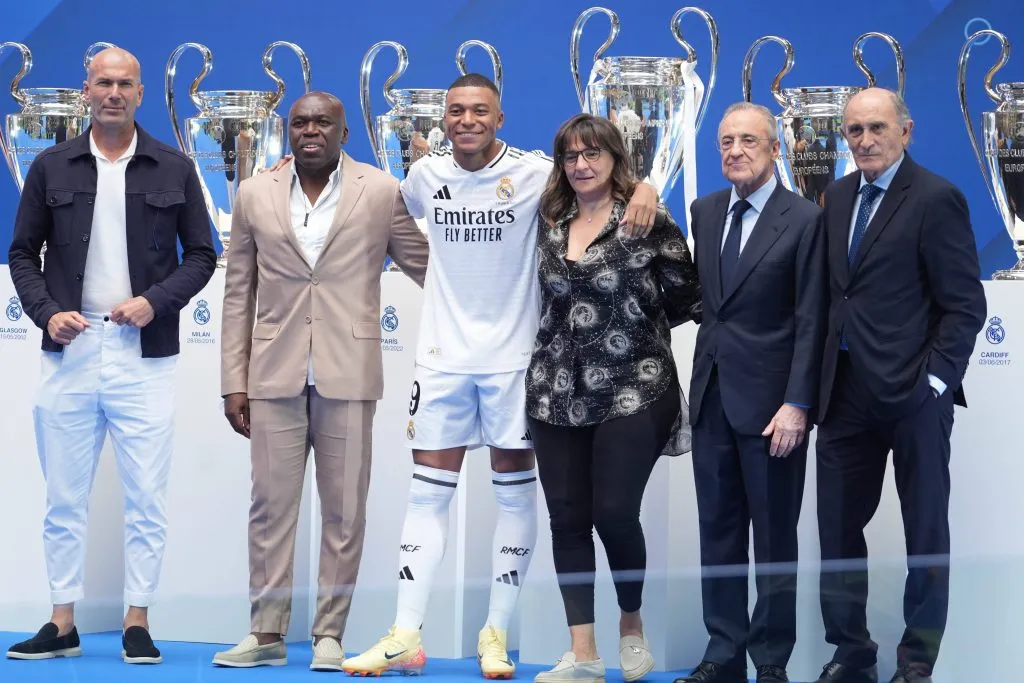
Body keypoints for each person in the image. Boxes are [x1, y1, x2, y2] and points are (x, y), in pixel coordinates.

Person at [341, 74, 659, 679]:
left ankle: (496, 633)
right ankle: (405, 633)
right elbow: (391, 214)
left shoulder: (537, 173)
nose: (466, 119)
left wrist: (646, 184)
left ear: (500, 118)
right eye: (455, 110)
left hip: (517, 361)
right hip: (441, 359)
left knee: (513, 491)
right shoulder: (423, 176)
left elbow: (600, 176)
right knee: (426, 493)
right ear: (443, 118)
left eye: (478, 110)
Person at [5, 47, 216, 664]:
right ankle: (62, 620)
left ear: (141, 93)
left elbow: (202, 255)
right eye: (104, 82)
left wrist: (155, 301)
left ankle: (137, 619)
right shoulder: (51, 166)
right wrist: (48, 313)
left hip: (142, 355)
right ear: (86, 90)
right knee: (64, 496)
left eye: (126, 83)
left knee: (146, 492)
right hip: (70, 352)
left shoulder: (173, 167)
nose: (115, 92)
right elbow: (23, 254)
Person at [213, 91, 429, 671]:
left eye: (323, 122)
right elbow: (238, 295)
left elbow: (428, 265)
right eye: (301, 122)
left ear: (343, 132)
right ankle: (265, 633)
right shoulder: (254, 191)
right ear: (289, 130)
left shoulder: (380, 190)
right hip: (272, 374)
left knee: (344, 510)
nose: (311, 131)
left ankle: (329, 633)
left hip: (350, 373)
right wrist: (234, 379)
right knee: (270, 509)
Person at [812, 88, 986, 683]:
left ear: (905, 131)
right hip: (843, 395)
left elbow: (965, 305)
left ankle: (917, 664)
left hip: (915, 396)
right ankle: (851, 654)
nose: (864, 140)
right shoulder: (834, 197)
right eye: (854, 130)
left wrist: (935, 381)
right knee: (835, 531)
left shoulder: (937, 198)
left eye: (876, 128)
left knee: (926, 536)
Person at [525, 113, 698, 683]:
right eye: (571, 156)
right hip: (554, 391)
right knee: (567, 519)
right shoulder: (548, 218)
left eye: (593, 154)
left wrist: (648, 187)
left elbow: (687, 297)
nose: (581, 164)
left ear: (616, 158)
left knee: (614, 513)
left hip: (635, 387)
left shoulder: (646, 217)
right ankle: (583, 655)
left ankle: (631, 627)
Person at [675, 102, 826, 683]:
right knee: (717, 531)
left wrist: (798, 402)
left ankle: (769, 662)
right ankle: (722, 653)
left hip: (773, 409)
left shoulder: (805, 218)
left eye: (748, 141)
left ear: (774, 149)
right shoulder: (705, 210)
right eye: (726, 142)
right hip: (712, 396)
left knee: (774, 538)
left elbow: (811, 318)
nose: (735, 151)